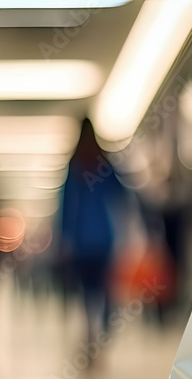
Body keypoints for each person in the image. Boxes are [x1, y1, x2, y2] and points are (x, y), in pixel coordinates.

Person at [59, 119, 124, 361]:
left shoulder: (74, 166)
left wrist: (64, 238)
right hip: (104, 238)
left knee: (88, 292)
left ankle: (90, 333)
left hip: (81, 242)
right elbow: (123, 194)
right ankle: (102, 331)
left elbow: (65, 206)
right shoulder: (104, 165)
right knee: (105, 288)